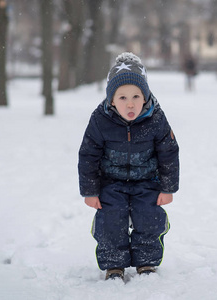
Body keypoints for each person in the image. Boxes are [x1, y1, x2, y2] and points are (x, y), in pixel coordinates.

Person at [78, 52, 180, 281]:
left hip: (147, 181)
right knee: (111, 219)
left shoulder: (156, 119)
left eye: (136, 96)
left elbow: (169, 152)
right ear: (111, 99)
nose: (130, 103)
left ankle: (146, 262)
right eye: (122, 97)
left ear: (145, 97)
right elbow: (88, 155)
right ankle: (114, 264)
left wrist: (167, 188)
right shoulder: (100, 120)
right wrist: (90, 190)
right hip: (111, 182)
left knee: (149, 217)